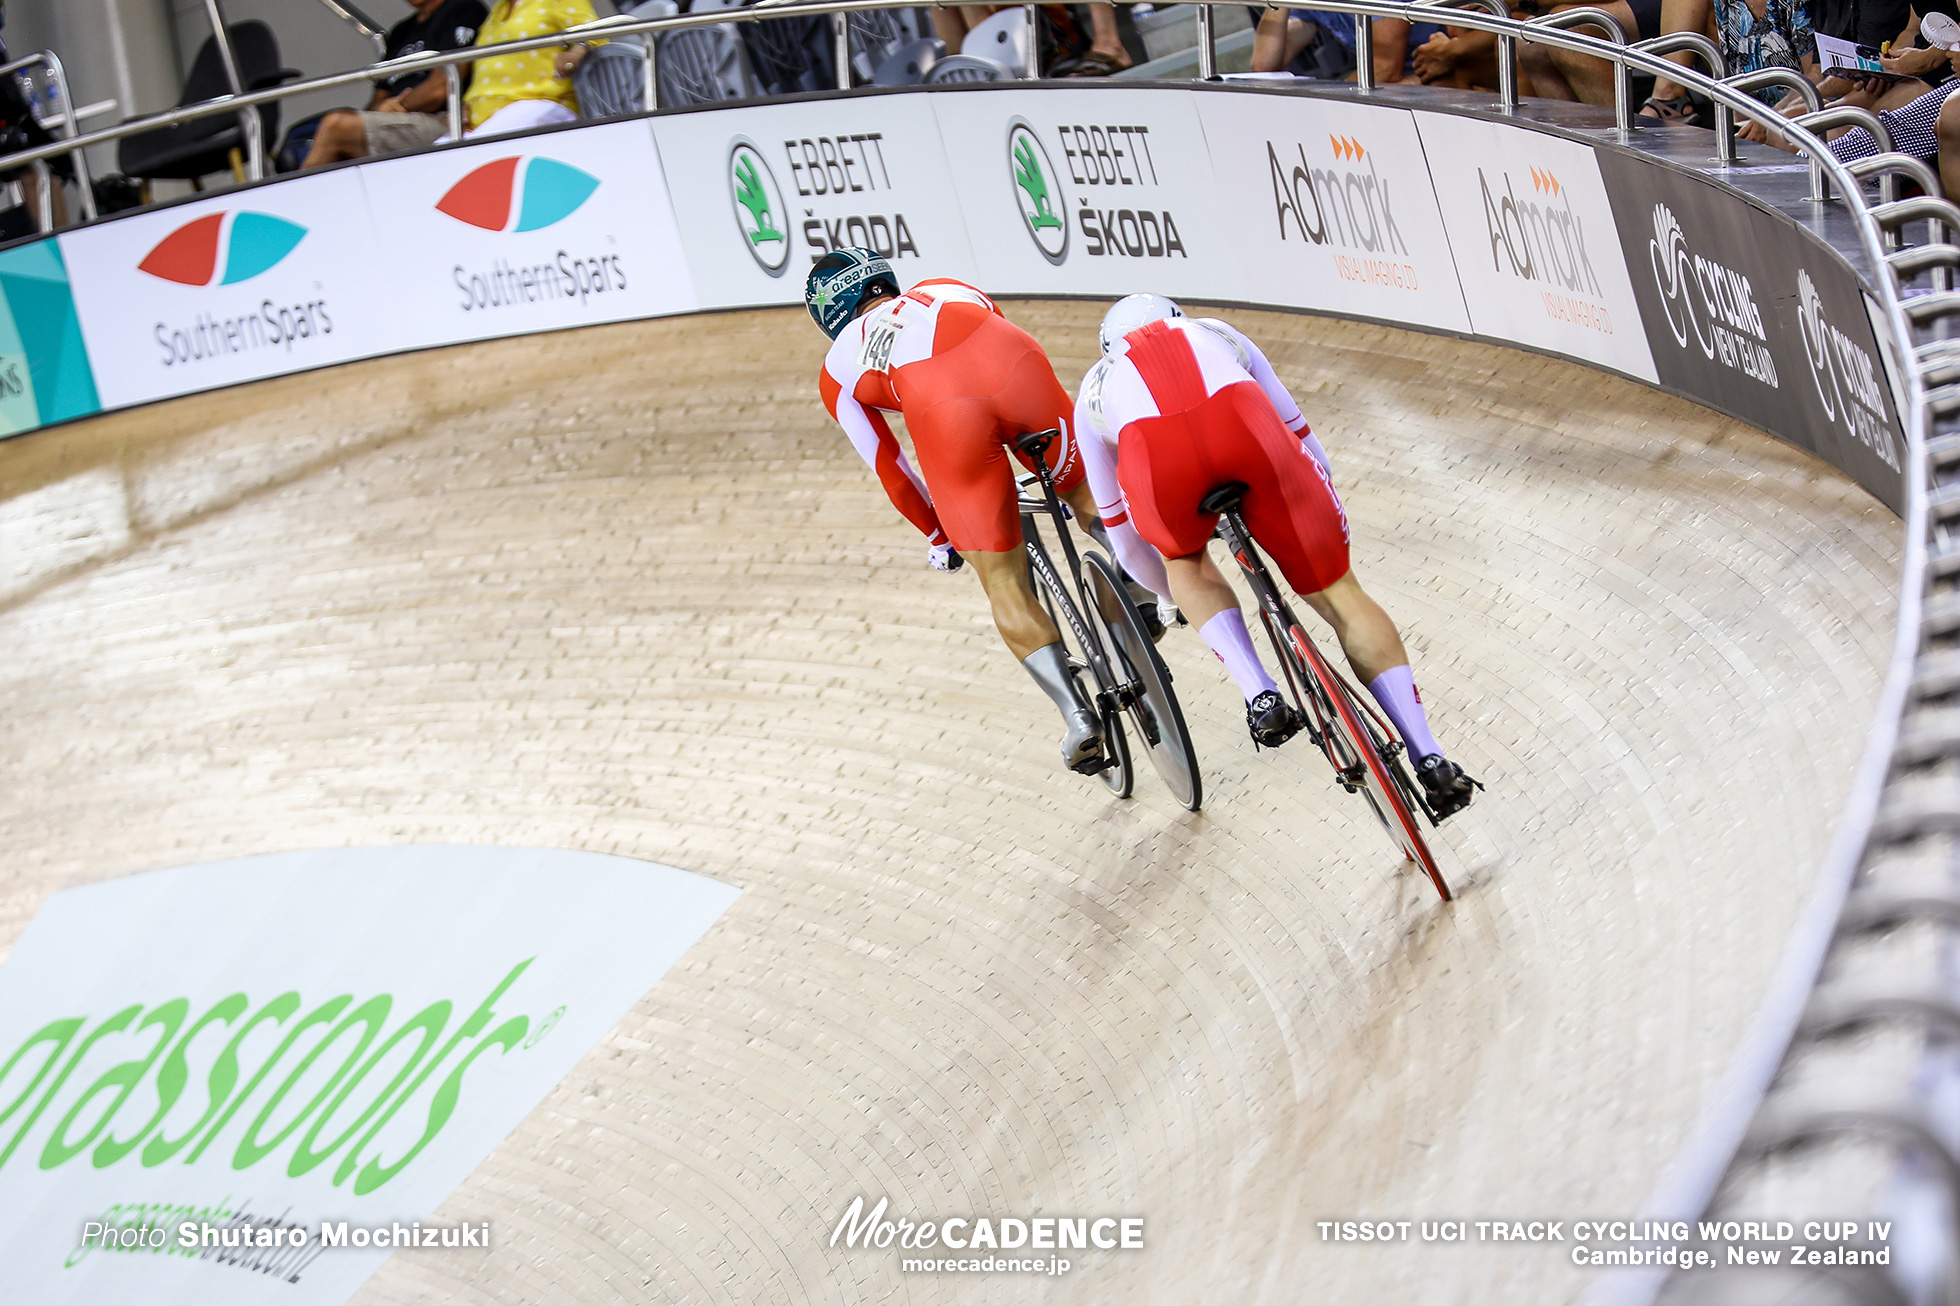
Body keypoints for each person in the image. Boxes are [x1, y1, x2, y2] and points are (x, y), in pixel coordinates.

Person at [1076, 294, 1480, 816]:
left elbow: (1123, 536)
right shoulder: (1219, 333)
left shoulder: (1094, 388)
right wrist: (1311, 513)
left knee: (1184, 560)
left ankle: (1259, 694)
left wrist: (1169, 590)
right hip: (1247, 433)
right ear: (1181, 320)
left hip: (1159, 460)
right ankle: (1431, 757)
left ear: (1108, 350)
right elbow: (1305, 441)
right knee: (1340, 593)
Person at [808, 248, 1115, 774]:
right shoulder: (945, 285)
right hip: (1014, 360)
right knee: (1090, 496)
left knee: (1000, 579)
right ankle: (1139, 582)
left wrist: (938, 534)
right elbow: (988, 340)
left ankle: (1078, 716)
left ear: (827, 317)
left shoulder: (837, 368)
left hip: (945, 410)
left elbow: (892, 466)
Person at [302, 0, 487, 169]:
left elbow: (440, 89)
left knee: (336, 126)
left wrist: (398, 106)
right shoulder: (401, 30)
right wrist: (383, 108)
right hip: (400, 123)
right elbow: (377, 99)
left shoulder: (464, 9)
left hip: (445, 121)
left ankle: (297, 201)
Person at [458, 0, 605, 138]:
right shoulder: (499, 8)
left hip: (541, 103)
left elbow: (595, 33)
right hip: (483, 121)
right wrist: (466, 106)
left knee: (469, 153)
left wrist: (576, 52)